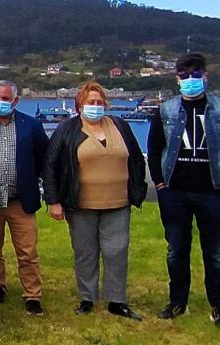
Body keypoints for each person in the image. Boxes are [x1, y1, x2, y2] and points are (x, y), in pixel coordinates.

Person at [147, 53, 220, 329]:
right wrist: (159, 184)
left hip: (213, 192)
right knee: (176, 249)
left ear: (205, 75)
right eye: (184, 75)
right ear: (176, 79)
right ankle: (177, 302)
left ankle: (219, 307)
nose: (190, 80)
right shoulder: (165, 110)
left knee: (216, 253)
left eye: (195, 75)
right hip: (175, 193)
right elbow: (155, 149)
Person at [43, 82, 148, 320]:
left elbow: (136, 159)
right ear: (79, 105)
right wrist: (53, 200)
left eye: (100, 102)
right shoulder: (67, 129)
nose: (96, 106)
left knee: (116, 252)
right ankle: (87, 298)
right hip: (80, 205)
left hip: (118, 203)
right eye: (91, 102)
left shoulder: (120, 126)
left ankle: (116, 301)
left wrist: (138, 190)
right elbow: (50, 164)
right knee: (85, 252)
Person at [0, 80, 50, 315]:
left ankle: (32, 295)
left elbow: (44, 157)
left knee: (27, 251)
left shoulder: (31, 126)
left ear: (15, 100)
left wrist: (38, 183)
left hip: (21, 200)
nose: (0, 102)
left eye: (5, 98)